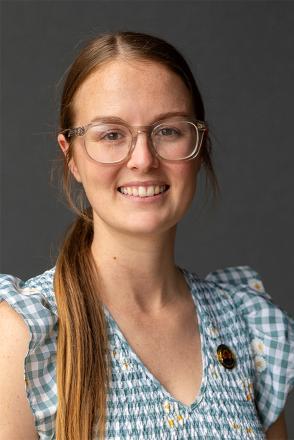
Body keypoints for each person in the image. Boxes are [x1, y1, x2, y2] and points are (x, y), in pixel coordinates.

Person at [0, 31, 293, 440]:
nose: (143, 160)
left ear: (199, 145)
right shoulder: (26, 336)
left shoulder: (248, 325)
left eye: (168, 131)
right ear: (72, 158)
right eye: (111, 134)